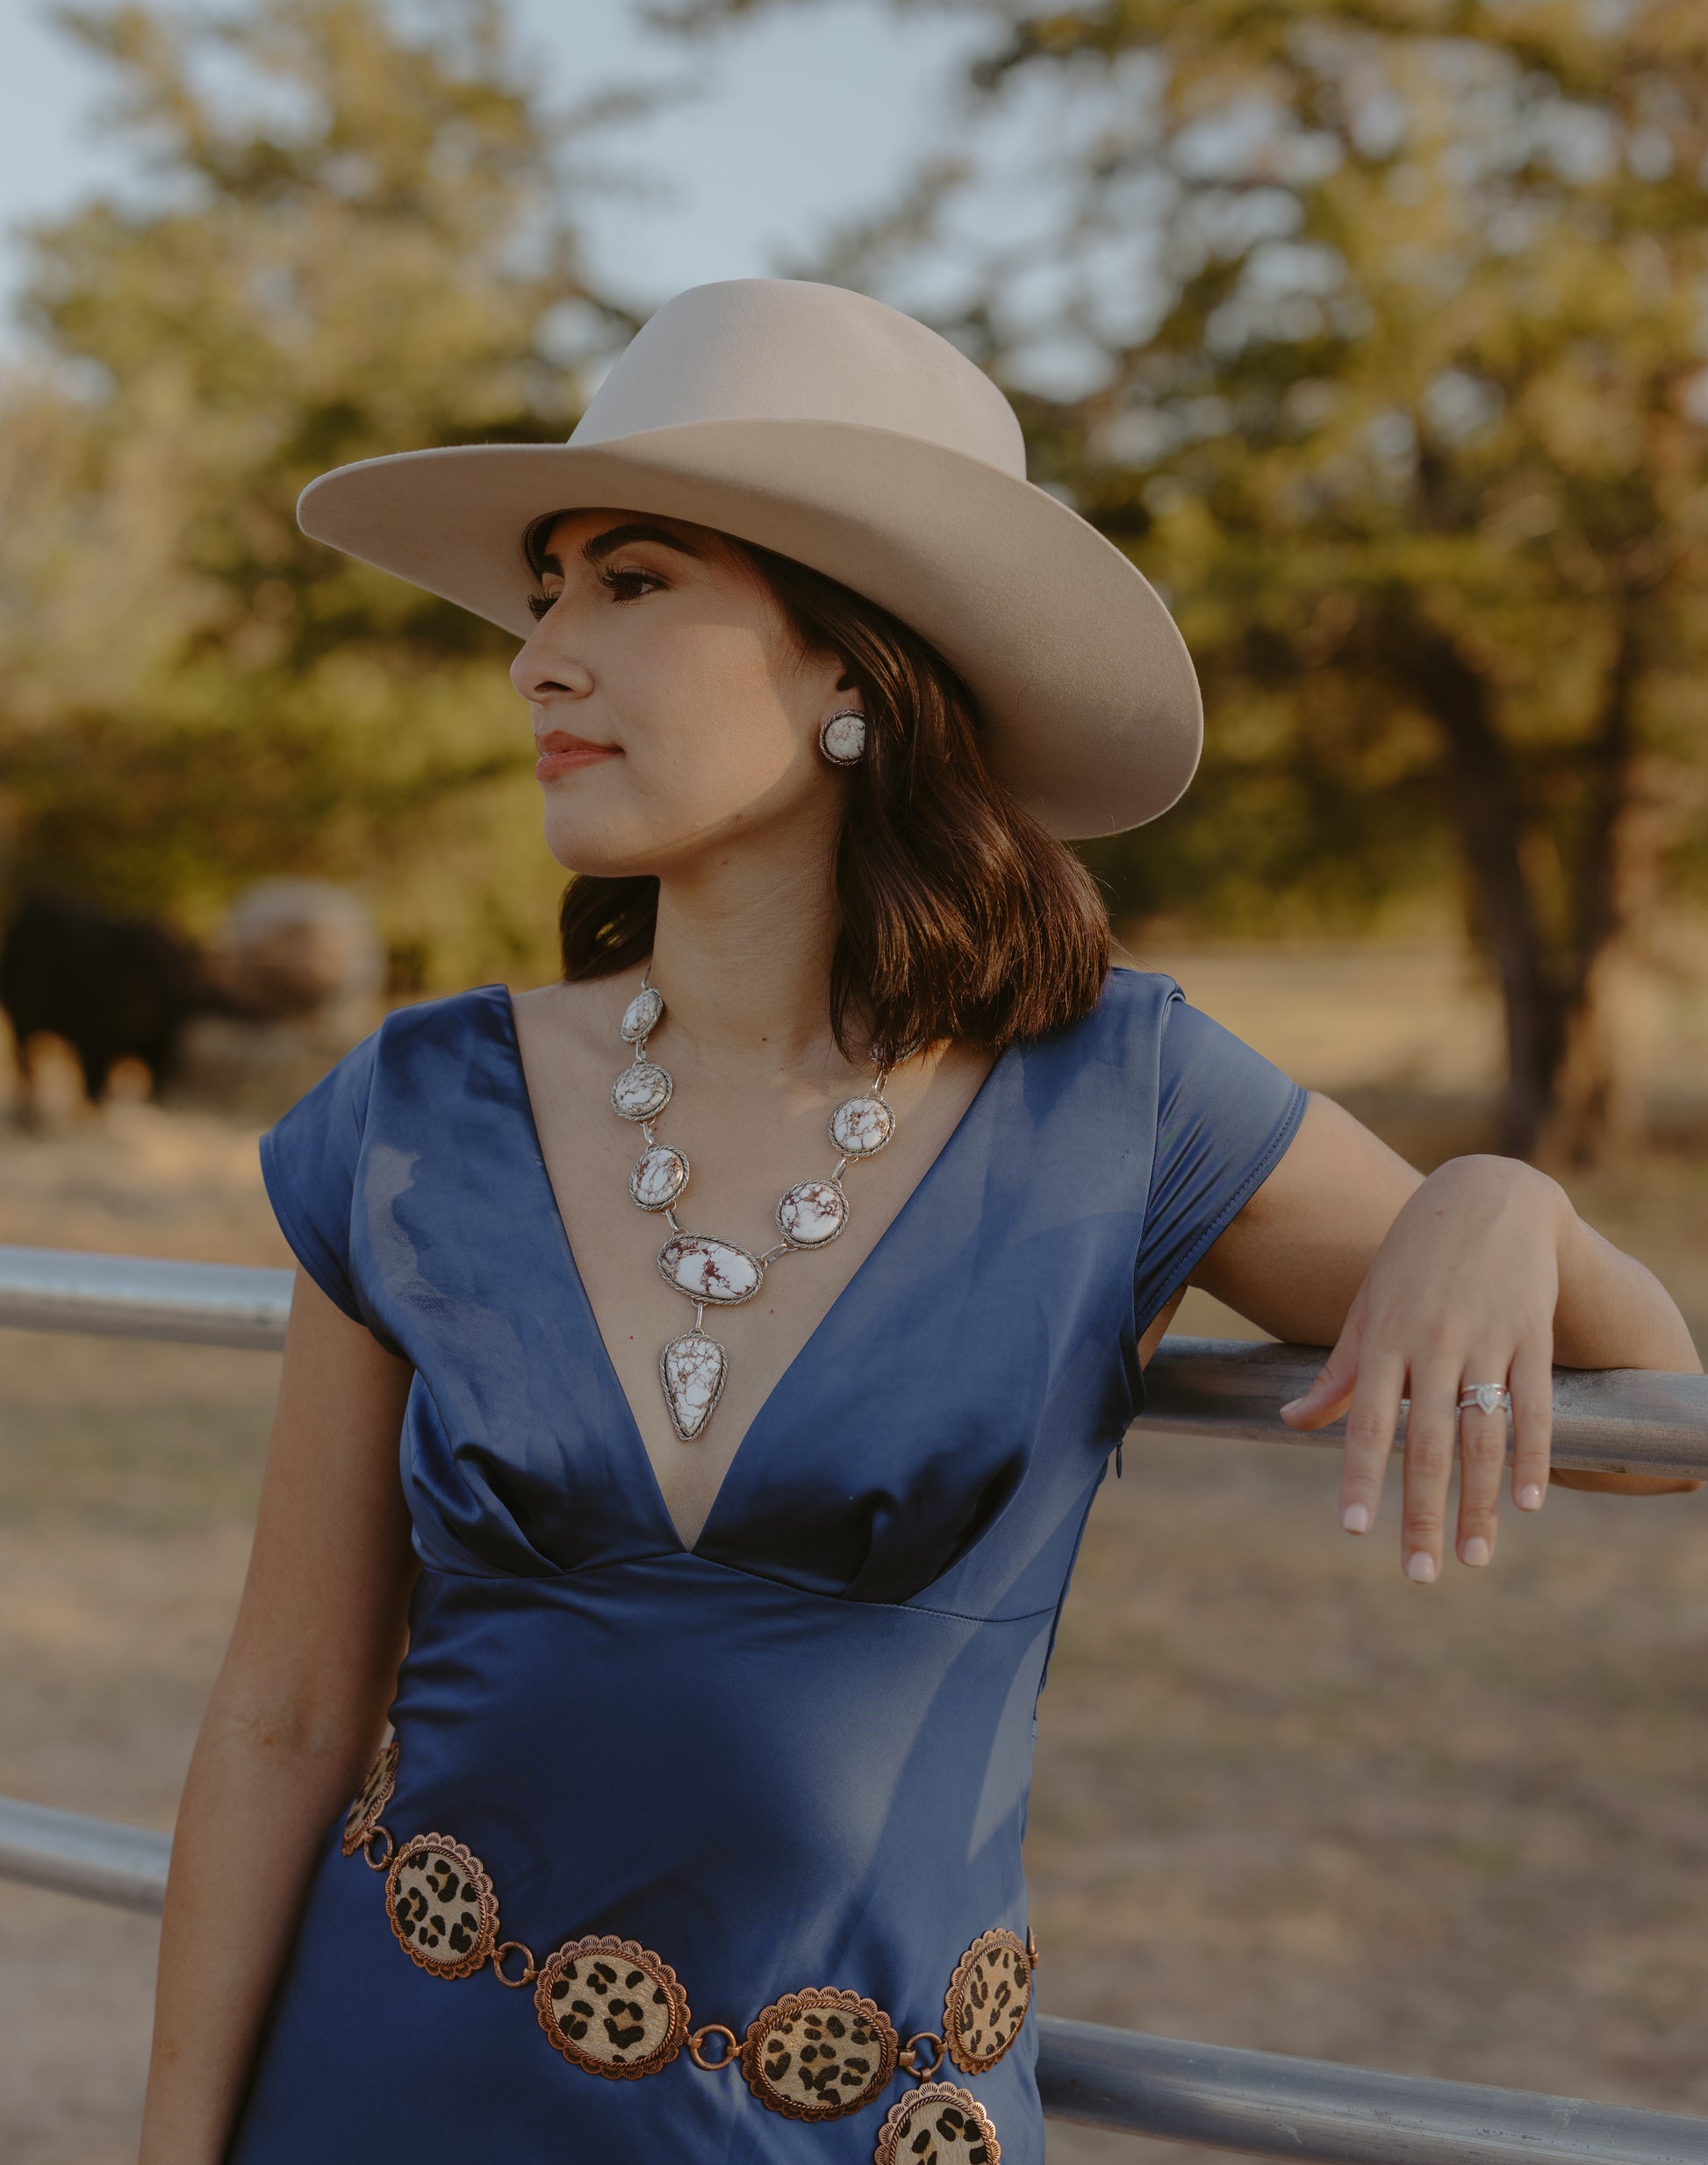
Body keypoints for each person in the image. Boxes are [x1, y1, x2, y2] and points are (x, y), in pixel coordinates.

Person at [139, 280, 1699, 2165]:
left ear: (854, 664)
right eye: (545, 591)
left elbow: (1650, 1412)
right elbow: (286, 1715)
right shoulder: (416, 1109)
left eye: (629, 582)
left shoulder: (1122, 1100)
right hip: (389, 2094)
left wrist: (1499, 1197)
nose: (537, 654)